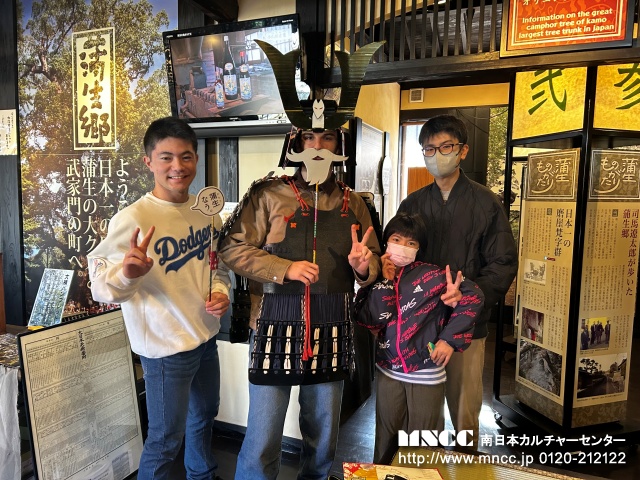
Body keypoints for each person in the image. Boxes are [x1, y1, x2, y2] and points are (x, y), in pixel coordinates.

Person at [218, 126, 381, 480]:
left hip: (332, 327)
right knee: (263, 435)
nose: (318, 145)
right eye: (309, 137)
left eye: (327, 138)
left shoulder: (355, 203)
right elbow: (231, 248)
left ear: (339, 144)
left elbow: (374, 263)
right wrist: (284, 268)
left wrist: (363, 267)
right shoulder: (268, 194)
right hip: (272, 325)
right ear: (295, 142)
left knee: (324, 436)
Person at [88, 117, 231, 480]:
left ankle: (202, 474)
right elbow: (100, 287)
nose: (177, 166)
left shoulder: (205, 212)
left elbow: (216, 267)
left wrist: (220, 291)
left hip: (205, 337)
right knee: (166, 440)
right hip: (166, 350)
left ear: (195, 159)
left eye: (186, 156)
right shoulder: (132, 218)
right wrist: (127, 273)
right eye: (166, 157)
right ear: (148, 161)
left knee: (204, 416)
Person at [397, 114, 518, 445]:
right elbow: (398, 258)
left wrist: (467, 298)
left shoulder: (486, 202)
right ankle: (426, 465)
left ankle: (466, 462)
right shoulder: (413, 203)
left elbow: (503, 262)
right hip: (421, 325)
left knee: (464, 410)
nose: (437, 155)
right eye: (429, 149)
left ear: (463, 150)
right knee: (424, 411)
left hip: (466, 325)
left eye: (446, 147)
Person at [355, 212, 484, 462]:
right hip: (388, 372)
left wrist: (449, 339)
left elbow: (473, 296)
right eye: (397, 239)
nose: (402, 247)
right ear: (386, 241)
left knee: (425, 444)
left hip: (426, 373)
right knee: (386, 441)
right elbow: (371, 320)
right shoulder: (375, 274)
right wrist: (385, 282)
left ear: (419, 248)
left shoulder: (434, 275)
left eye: (411, 242)